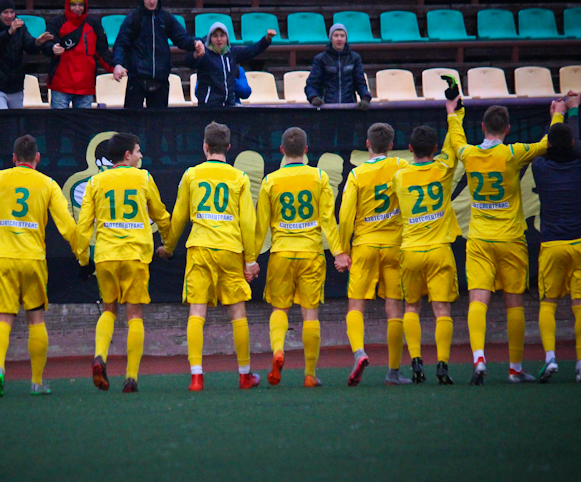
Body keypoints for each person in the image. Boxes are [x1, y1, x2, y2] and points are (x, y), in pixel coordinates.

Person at [0, 135, 78, 397]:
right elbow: (67, 226)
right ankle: (36, 382)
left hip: (1, 258)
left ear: (14, 158)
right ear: (37, 158)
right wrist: (82, 254)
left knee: (3, 320)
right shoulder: (48, 184)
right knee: (36, 320)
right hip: (33, 260)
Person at [447, 96, 548, 385]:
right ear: (507, 129)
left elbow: (456, 140)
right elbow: (546, 144)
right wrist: (558, 114)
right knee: (514, 303)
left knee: (478, 300)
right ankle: (515, 368)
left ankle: (479, 358)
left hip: (479, 238)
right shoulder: (513, 153)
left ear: (482, 127)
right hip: (511, 239)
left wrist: (453, 113)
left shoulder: (468, 153)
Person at [157, 122, 261, 391]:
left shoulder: (191, 174)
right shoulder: (239, 177)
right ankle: (245, 375)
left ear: (205, 146)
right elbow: (248, 223)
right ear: (228, 147)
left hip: (200, 248)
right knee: (237, 311)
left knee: (197, 311)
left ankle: (196, 376)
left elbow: (179, 216)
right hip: (230, 249)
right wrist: (250, 260)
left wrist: (168, 247)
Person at [253, 127, 349, 388]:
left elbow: (261, 225)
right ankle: (309, 374)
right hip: (311, 254)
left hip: (281, 253)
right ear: (306, 150)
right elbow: (328, 219)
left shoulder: (270, 180)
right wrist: (339, 252)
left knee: (279, 309)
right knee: (310, 314)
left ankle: (278, 351)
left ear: (281, 150)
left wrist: (251, 259)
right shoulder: (319, 177)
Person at [76, 133, 171, 393]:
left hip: (105, 256)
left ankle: (99, 356)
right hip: (135, 255)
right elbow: (161, 216)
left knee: (109, 309)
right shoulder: (144, 178)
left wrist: (83, 260)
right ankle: (131, 378)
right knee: (134, 315)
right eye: (138, 151)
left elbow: (83, 227)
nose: (141, 155)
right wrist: (169, 245)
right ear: (127, 155)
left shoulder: (95, 182)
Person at [337, 123, 410, 386]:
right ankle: (393, 372)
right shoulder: (402, 166)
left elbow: (346, 215)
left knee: (356, 305)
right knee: (394, 307)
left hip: (365, 245)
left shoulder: (357, 174)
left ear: (367, 144)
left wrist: (343, 250)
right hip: (394, 245)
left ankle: (359, 352)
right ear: (391, 145)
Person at [392, 120, 461, 385]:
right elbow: (453, 147)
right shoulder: (443, 169)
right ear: (435, 148)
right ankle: (442, 364)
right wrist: (455, 114)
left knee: (411, 306)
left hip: (411, 250)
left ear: (410, 148)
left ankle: (416, 362)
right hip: (439, 250)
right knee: (442, 309)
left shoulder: (400, 176)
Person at [533, 93, 581, 383]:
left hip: (552, 244)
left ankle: (550, 358)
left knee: (548, 303)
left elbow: (547, 145)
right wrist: (575, 110)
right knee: (580, 305)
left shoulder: (540, 167)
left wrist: (556, 114)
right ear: (572, 143)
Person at [112, 0, 204, 109]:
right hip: (137, 80)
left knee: (158, 120)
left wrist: (195, 43)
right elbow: (121, 44)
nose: (151, 1)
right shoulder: (133, 19)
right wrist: (118, 64)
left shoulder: (166, 18)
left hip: (160, 80)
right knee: (132, 119)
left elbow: (182, 38)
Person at [42, 0, 113, 109]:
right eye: (73, 5)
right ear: (67, 5)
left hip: (85, 86)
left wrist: (114, 68)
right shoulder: (57, 23)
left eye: (81, 5)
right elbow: (46, 44)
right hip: (61, 85)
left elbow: (102, 51)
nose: (77, 8)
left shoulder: (93, 24)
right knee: (59, 121)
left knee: (82, 121)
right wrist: (52, 48)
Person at [0, 0, 53, 110]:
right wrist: (9, 33)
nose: (9, 16)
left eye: (12, 12)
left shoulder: (20, 27)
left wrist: (38, 42)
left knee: (17, 119)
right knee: (3, 117)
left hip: (16, 86)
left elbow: (29, 46)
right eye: (5, 12)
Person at [186, 22, 275, 106]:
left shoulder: (232, 52)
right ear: (210, 38)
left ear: (227, 38)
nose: (219, 39)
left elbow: (251, 51)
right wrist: (195, 55)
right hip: (208, 106)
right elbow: (189, 63)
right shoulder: (204, 53)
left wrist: (266, 40)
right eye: (215, 36)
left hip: (229, 105)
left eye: (222, 35)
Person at [304, 23, 371, 108]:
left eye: (342, 36)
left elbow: (360, 83)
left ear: (346, 39)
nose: (339, 39)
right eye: (336, 35)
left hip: (349, 106)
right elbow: (311, 84)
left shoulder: (355, 58)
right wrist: (313, 97)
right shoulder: (320, 59)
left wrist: (365, 98)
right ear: (331, 38)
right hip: (326, 107)